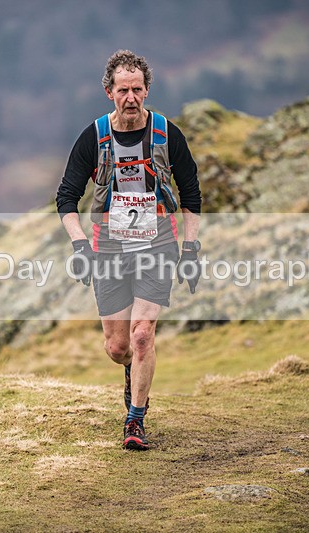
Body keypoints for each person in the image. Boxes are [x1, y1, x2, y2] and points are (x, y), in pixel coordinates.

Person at [56, 50, 202, 450]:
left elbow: (191, 194)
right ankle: (133, 370)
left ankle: (135, 420)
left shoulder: (167, 135)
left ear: (147, 90)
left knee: (142, 337)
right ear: (109, 92)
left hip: (158, 240)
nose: (132, 97)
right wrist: (80, 244)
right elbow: (66, 197)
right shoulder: (94, 137)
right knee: (118, 346)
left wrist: (190, 249)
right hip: (108, 246)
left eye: (138, 89)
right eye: (124, 90)